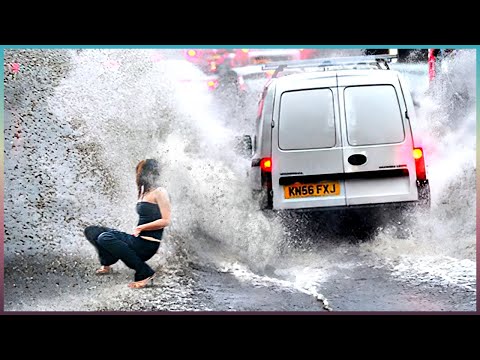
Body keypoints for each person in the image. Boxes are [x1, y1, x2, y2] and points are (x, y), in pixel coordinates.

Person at [83, 159, 171, 289]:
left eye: (139, 172)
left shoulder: (160, 192)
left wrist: (142, 227)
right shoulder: (144, 192)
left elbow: (166, 220)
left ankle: (144, 272)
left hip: (146, 245)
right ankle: (107, 263)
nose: (138, 176)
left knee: (104, 237)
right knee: (92, 231)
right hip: (137, 239)